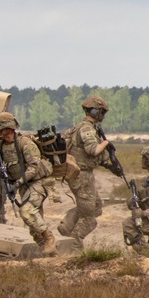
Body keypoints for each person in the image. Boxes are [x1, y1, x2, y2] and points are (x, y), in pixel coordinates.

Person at [0, 112, 57, 256]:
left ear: (6, 128)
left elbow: (34, 166)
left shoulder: (25, 143)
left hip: (38, 183)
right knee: (33, 227)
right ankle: (50, 253)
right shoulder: (0, 147)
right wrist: (0, 171)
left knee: (26, 211)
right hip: (22, 187)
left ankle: (49, 238)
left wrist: (19, 181)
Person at [59, 95, 110, 249]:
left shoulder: (80, 126)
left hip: (81, 174)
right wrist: (106, 143)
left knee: (97, 206)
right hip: (82, 175)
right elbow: (92, 150)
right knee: (89, 218)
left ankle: (67, 224)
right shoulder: (87, 128)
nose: (103, 116)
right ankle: (73, 246)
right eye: (101, 112)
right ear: (95, 112)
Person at [123, 145, 149, 254]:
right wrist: (133, 202)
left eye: (144, 157)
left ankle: (145, 256)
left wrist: (144, 213)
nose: (142, 160)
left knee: (129, 224)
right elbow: (137, 200)